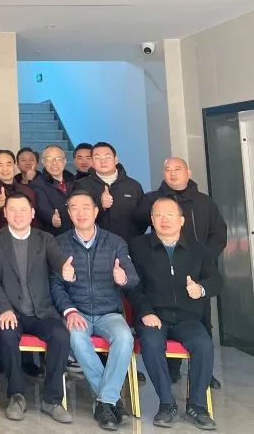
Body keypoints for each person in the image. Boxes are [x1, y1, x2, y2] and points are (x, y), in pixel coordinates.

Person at [127, 197, 221, 430]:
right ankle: (166, 404)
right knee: (151, 342)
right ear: (152, 220)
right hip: (153, 316)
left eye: (170, 215)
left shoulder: (198, 248)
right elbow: (133, 286)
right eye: (158, 215)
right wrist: (145, 311)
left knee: (203, 345)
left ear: (181, 220)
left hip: (188, 318)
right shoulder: (138, 246)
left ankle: (197, 406)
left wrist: (200, 289)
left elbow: (216, 280)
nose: (164, 219)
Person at [134, 156, 228, 389]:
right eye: (168, 170)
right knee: (159, 330)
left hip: (195, 273)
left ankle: (204, 374)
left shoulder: (205, 202)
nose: (172, 173)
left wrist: (202, 258)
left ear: (188, 172)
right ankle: (171, 372)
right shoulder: (152, 200)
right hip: (160, 274)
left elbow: (219, 233)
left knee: (202, 326)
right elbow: (136, 224)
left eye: (178, 169)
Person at [51, 190, 139, 430]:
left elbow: (133, 279)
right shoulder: (59, 244)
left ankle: (104, 401)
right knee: (76, 338)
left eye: (86, 208)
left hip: (109, 312)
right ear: (69, 213)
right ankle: (112, 401)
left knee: (124, 337)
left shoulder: (115, 242)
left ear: (96, 211)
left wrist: (123, 278)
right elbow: (54, 285)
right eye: (74, 208)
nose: (80, 213)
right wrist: (69, 310)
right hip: (77, 311)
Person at [0, 192, 72, 423]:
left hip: (41, 311)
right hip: (11, 310)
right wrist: (4, 308)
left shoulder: (45, 239)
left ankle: (52, 400)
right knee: (7, 334)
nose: (18, 215)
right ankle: (16, 396)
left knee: (61, 335)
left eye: (23, 210)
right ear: (5, 213)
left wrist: (65, 268)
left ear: (32, 214)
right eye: (12, 210)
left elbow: (58, 259)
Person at [74, 142, 145, 244]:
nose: (103, 161)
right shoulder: (81, 185)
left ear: (116, 160)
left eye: (107, 157)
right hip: (95, 246)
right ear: (92, 162)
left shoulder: (133, 186)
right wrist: (100, 204)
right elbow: (77, 217)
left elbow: (141, 218)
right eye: (97, 158)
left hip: (128, 244)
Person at [0, 149, 38, 235]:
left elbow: (34, 220)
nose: (5, 169)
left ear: (15, 166)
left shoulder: (28, 191)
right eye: (0, 165)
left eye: (9, 164)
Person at [30, 145, 76, 236]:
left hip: (78, 234)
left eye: (58, 159)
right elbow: (42, 206)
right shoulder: (37, 184)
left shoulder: (74, 181)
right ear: (43, 162)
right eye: (49, 159)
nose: (54, 163)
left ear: (64, 161)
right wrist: (51, 216)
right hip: (54, 236)